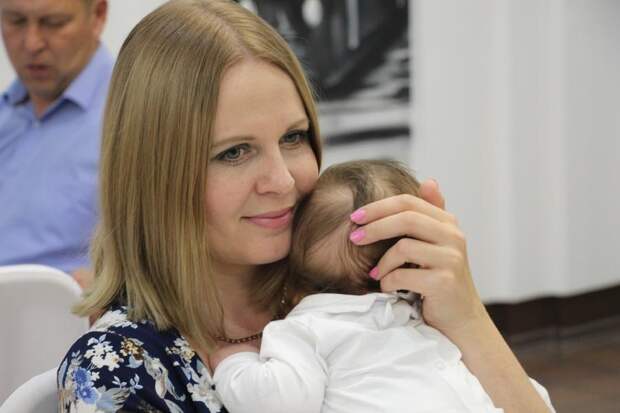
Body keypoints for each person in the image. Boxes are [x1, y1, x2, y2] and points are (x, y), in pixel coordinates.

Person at [57, 1, 553, 412]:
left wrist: (466, 317)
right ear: (154, 176)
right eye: (234, 152)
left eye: (293, 138)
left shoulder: (361, 287)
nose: (283, 181)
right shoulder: (119, 367)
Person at [209, 159, 554, 412]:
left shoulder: (307, 328)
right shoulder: (421, 321)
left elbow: (278, 401)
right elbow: (534, 402)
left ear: (293, 275)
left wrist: (233, 362)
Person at [0, 0, 111, 282]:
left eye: (54, 23)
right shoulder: (6, 113)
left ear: (98, 15)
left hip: (62, 305)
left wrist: (113, 284)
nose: (32, 43)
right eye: (15, 21)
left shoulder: (136, 117)